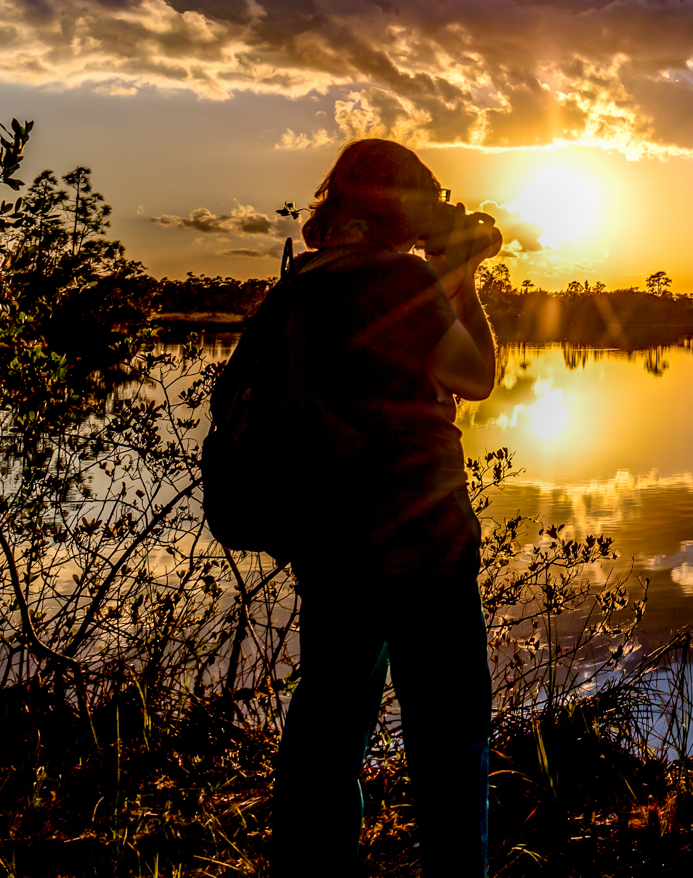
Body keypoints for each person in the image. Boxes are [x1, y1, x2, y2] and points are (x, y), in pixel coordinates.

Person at [268, 138, 503, 878]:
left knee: (328, 737)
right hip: (422, 550)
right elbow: (476, 376)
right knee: (448, 743)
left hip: (332, 546)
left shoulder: (297, 286)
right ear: (395, 205)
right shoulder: (397, 281)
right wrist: (459, 276)